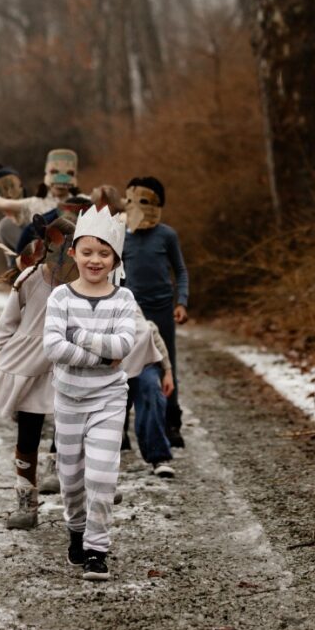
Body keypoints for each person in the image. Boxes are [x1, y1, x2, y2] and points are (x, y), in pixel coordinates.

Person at [44, 205, 136, 582]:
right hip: (68, 399)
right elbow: (52, 347)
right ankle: (77, 530)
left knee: (102, 474)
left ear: (115, 258)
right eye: (87, 252)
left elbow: (125, 344)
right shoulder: (60, 299)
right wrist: (101, 355)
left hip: (109, 399)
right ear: (73, 253)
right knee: (71, 477)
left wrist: (78, 336)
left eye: (103, 253)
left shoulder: (123, 300)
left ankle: (97, 549)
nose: (95, 260)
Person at [0, 215, 77, 529]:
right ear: (45, 245)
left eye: (68, 248)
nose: (62, 253)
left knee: (71, 430)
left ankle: (77, 496)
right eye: (56, 245)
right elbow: (5, 326)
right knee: (27, 435)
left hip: (65, 366)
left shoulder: (81, 285)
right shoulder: (28, 278)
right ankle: (27, 503)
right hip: (28, 369)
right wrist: (13, 355)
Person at [122, 177, 189, 447]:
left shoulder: (166, 235)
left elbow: (181, 271)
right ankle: (121, 429)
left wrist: (181, 302)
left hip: (162, 309)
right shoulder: (120, 235)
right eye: (129, 200)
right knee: (126, 366)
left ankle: (171, 423)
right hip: (131, 312)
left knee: (165, 364)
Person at [122, 307, 176, 477]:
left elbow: (151, 331)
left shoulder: (128, 299)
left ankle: (159, 456)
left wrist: (167, 371)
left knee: (152, 392)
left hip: (144, 364)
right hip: (112, 366)